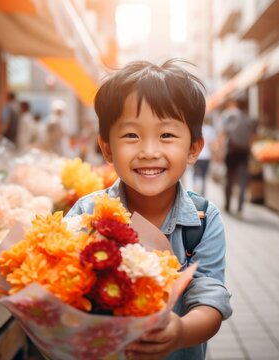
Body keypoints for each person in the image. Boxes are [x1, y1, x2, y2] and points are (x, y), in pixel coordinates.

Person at [66, 59, 232, 359]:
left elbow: (210, 300)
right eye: (131, 135)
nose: (149, 151)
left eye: (167, 135)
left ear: (194, 148)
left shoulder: (203, 221)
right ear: (106, 149)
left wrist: (180, 332)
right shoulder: (85, 214)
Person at [221, 97, 256, 214]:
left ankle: (227, 205)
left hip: (232, 151)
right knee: (242, 180)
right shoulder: (249, 119)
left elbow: (224, 132)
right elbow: (252, 137)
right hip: (244, 152)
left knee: (229, 179)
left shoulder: (229, 116)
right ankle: (240, 206)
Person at [192, 117, 216, 196]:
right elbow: (212, 144)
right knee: (204, 177)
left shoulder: (195, 130)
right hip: (206, 157)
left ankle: (195, 193)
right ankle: (202, 194)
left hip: (197, 156)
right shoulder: (210, 130)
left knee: (196, 175)